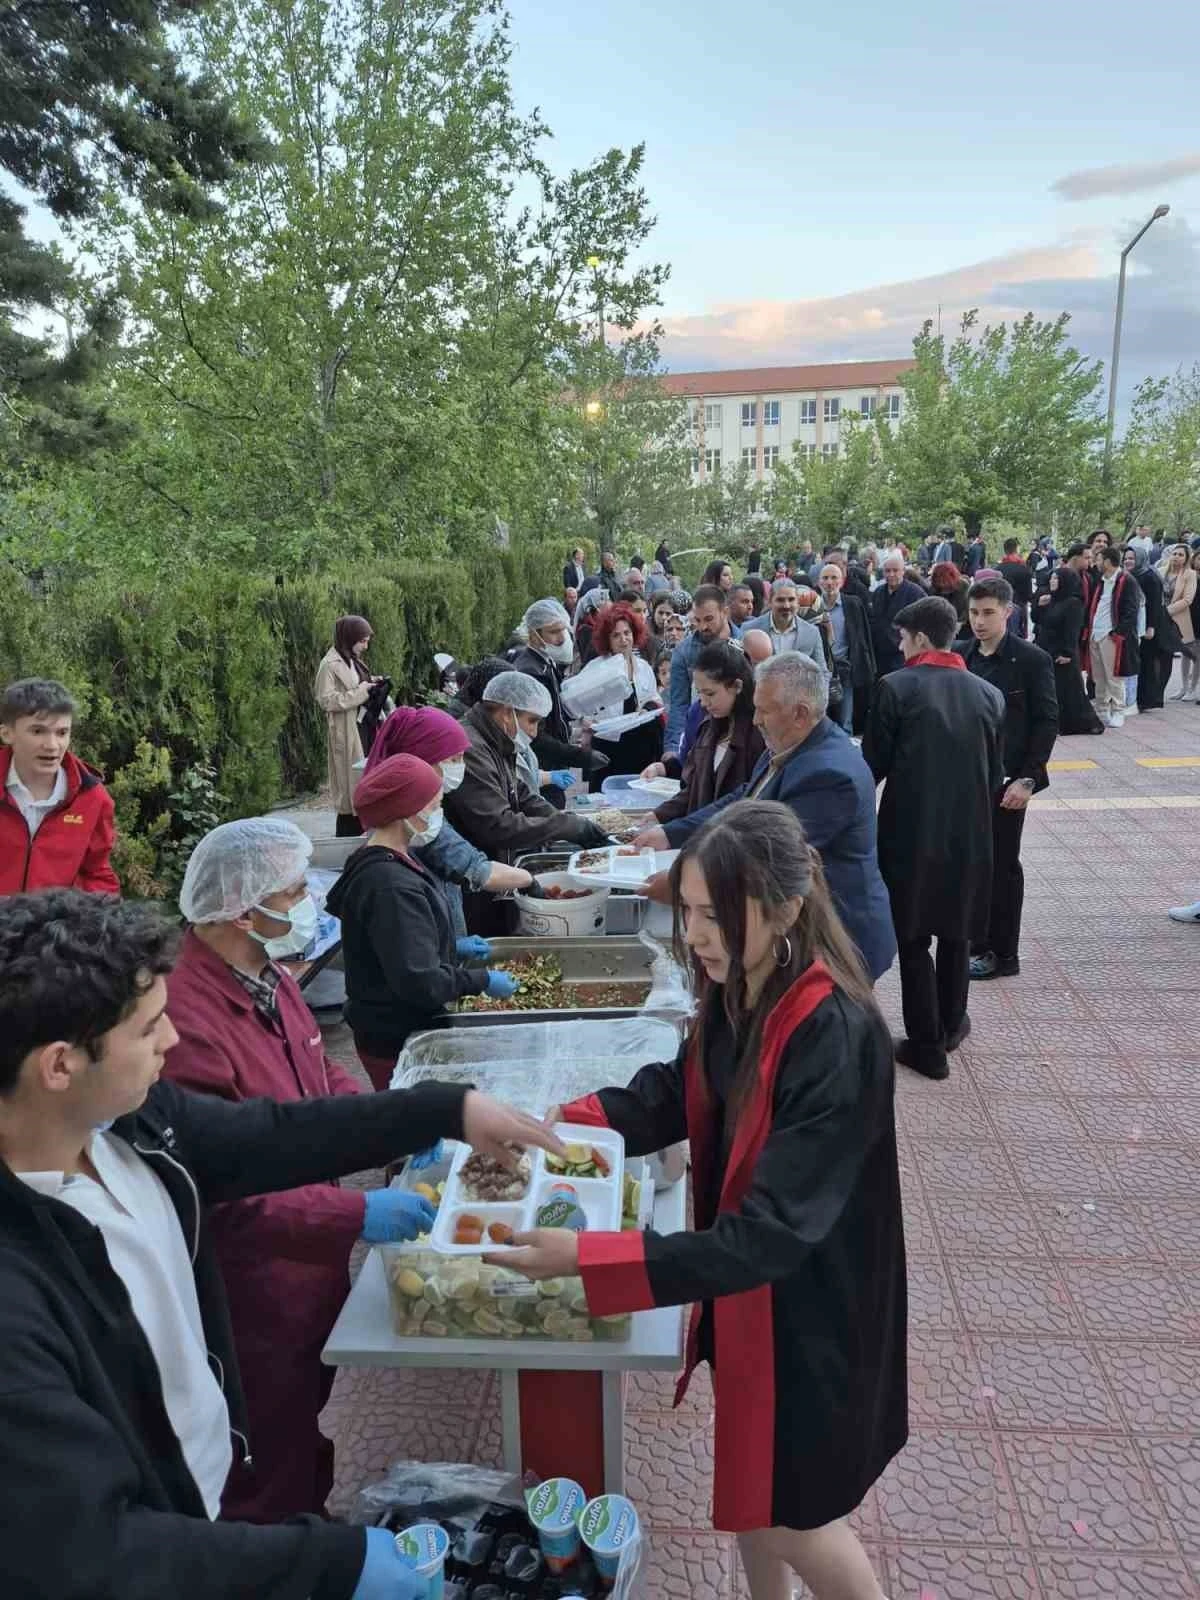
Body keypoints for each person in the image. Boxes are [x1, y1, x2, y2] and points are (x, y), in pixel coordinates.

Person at [0, 886, 565, 1600]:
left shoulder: (128, 1127)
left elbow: (271, 1134)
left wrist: (445, 1109)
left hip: (210, 1479)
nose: (170, 1041)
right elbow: (97, 1552)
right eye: (147, 1031)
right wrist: (327, 1565)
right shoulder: (17, 1298)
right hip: (168, 1538)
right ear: (59, 1066)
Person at [499, 801, 905, 1600]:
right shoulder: (742, 986)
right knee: (757, 1490)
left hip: (813, 1315)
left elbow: (768, 1236)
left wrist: (589, 1258)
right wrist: (561, 1126)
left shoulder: (834, 1033)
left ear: (786, 907)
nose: (695, 935)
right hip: (754, 1299)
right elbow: (678, 1090)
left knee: (796, 1519)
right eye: (686, 911)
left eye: (715, 915)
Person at [164, 819, 376, 1522]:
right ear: (240, 911)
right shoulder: (185, 1023)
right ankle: (283, 1549)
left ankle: (311, 1526)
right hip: (250, 1288)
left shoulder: (269, 974)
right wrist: (362, 1213)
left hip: (309, 1263)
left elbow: (316, 1072)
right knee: (264, 1446)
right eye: (294, 891)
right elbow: (227, 1194)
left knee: (304, 1415)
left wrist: (382, 1125)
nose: (309, 903)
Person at [639, 654, 896, 983]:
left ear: (800, 714)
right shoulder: (788, 744)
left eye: (764, 710)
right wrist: (670, 833)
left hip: (839, 941)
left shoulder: (831, 774)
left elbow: (769, 857)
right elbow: (744, 800)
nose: (756, 720)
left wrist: (682, 885)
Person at [864, 596, 1004, 1080]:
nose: (901, 648)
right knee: (957, 931)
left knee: (912, 938)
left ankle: (926, 1044)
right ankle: (950, 1024)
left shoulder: (895, 687)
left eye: (904, 639)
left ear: (921, 638)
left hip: (911, 835)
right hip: (972, 835)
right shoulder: (989, 694)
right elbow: (995, 774)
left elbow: (872, 767)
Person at [328, 754, 519, 1083]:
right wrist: (482, 981)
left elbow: (395, 945)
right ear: (407, 812)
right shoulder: (391, 886)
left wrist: (450, 945)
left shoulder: (386, 859)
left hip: (390, 1025)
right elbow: (421, 981)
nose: (437, 814)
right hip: (395, 1037)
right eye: (434, 805)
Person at [956, 578, 1058, 982]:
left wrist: (1027, 779)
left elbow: (1047, 721)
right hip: (964, 780)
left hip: (1008, 783)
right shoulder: (960, 655)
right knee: (968, 864)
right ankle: (974, 943)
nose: (979, 622)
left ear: (1008, 612)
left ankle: (1003, 953)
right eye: (973, 613)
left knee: (1001, 866)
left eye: (988, 613)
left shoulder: (1031, 660)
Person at [443, 671, 606, 924]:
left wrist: (563, 820)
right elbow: (498, 825)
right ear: (507, 713)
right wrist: (564, 826)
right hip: (473, 878)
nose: (534, 732)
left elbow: (520, 793)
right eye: (532, 721)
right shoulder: (473, 747)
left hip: (493, 867)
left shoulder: (495, 739)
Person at [363, 705, 539, 933]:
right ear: (424, 760)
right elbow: (477, 869)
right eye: (454, 760)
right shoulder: (417, 820)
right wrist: (529, 880)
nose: (461, 768)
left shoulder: (413, 808)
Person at [0, 677, 119, 896]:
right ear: (7, 733)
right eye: (38, 731)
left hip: (52, 918)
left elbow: (96, 875)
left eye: (62, 733)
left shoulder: (93, 798)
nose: (52, 745)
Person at [648, 643, 764, 824]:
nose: (703, 702)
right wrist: (659, 815)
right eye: (699, 693)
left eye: (710, 694)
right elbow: (693, 787)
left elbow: (746, 798)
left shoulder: (760, 734)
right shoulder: (707, 726)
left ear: (737, 686)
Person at [508, 597, 609, 791]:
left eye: (562, 630)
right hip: (542, 768)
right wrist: (579, 756)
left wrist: (576, 730)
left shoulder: (546, 664)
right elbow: (535, 734)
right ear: (534, 634)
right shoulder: (531, 672)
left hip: (552, 763)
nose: (562, 638)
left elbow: (554, 717)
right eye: (553, 632)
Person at [314, 615, 389, 837]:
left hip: (362, 727)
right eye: (362, 641)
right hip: (346, 731)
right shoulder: (329, 665)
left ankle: (364, 833)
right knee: (349, 790)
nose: (365, 646)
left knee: (364, 778)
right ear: (349, 638)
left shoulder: (352, 660)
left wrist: (373, 682)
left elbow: (356, 683)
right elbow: (326, 700)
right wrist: (361, 692)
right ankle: (347, 839)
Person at [585, 602, 663, 783]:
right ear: (607, 640)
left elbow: (654, 698)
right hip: (608, 745)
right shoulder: (596, 668)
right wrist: (588, 722)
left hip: (640, 746)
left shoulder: (643, 667)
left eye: (627, 633)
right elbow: (583, 706)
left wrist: (648, 708)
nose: (623, 639)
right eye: (616, 635)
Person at [666, 584, 741, 753]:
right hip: (700, 737)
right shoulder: (683, 652)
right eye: (697, 620)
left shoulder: (746, 644)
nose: (702, 627)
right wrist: (672, 748)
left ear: (725, 612)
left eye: (709, 619)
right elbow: (679, 705)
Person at [1033, 568, 1105, 735]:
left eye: (1056, 579)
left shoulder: (1073, 603)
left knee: (1068, 690)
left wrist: (1067, 653)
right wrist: (1039, 606)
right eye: (1051, 578)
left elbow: (1072, 630)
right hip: (1047, 649)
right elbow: (1038, 620)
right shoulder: (1051, 600)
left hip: (1062, 652)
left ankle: (1077, 722)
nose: (1052, 582)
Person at [1087, 545, 1142, 727]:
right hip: (1095, 633)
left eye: (1098, 559)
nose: (1096, 563)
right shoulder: (1100, 580)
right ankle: (1102, 709)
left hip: (1111, 636)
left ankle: (1118, 710)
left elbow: (1131, 612)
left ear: (1108, 561)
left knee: (1114, 677)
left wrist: (1117, 632)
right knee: (1098, 677)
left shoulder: (1127, 581)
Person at [817, 564, 875, 733]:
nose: (829, 582)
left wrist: (867, 666)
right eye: (825, 578)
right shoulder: (812, 606)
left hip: (845, 668)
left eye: (834, 577)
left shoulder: (852, 604)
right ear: (819, 582)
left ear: (842, 581)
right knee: (819, 720)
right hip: (820, 670)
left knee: (845, 719)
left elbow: (863, 637)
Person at [1123, 546, 1171, 711]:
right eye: (1126, 558)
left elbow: (1155, 604)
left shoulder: (1149, 576)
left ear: (1140, 559)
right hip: (1137, 625)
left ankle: (1148, 699)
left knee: (1148, 663)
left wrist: (1151, 627)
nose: (1128, 561)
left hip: (1151, 626)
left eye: (1132, 558)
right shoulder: (1130, 575)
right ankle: (1138, 697)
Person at [744, 579, 826, 666]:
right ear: (770, 602)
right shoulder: (750, 629)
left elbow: (821, 670)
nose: (786, 606)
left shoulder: (812, 632)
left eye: (791, 600)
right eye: (780, 600)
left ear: (797, 602)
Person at [868, 554, 925, 676]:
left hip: (903, 655)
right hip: (879, 655)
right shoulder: (878, 592)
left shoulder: (915, 593)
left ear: (903, 571)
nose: (891, 574)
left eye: (895, 570)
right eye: (887, 571)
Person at [1160, 542, 1199, 699]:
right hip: (1160, 619)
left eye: (1181, 555)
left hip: (1180, 618)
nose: (1176, 557)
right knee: (1178, 654)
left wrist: (1167, 611)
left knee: (1192, 652)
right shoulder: (1161, 571)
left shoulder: (1189, 574)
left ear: (1186, 558)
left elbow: (1188, 599)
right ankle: (1183, 687)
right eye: (1175, 554)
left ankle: (1192, 688)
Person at [998, 538, 1034, 637]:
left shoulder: (998, 568)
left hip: (1001, 608)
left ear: (1005, 550)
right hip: (1019, 608)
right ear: (1017, 549)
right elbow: (1028, 595)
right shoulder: (1024, 569)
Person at [929, 561, 970, 637]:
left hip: (959, 626)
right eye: (939, 581)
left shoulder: (963, 587)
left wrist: (959, 623)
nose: (942, 584)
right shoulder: (933, 588)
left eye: (944, 581)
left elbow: (965, 609)